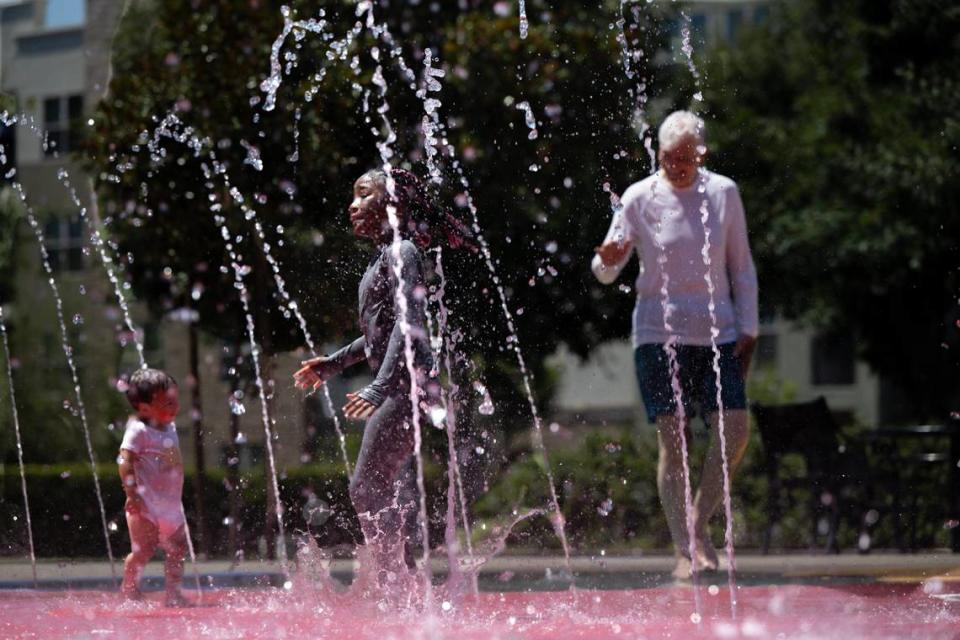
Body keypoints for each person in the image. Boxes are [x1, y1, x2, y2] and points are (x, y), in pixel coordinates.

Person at [592, 111, 758, 579]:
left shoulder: (723, 193)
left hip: (718, 332)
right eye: (669, 158)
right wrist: (605, 262)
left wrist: (749, 328)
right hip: (656, 333)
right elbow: (606, 270)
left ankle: (696, 523)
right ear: (659, 154)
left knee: (736, 429)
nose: (678, 166)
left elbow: (741, 266)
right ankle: (687, 548)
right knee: (674, 440)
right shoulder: (638, 197)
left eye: (687, 158)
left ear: (701, 154)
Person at [293, 167, 470, 588]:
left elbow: (408, 322)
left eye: (363, 195)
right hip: (401, 385)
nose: (352, 205)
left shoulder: (403, 252)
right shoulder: (384, 258)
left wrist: (379, 386)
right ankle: (403, 578)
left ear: (392, 204)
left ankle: (397, 582)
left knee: (366, 487)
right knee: (379, 486)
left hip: (407, 387)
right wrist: (334, 363)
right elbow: (378, 330)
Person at [118, 367, 189, 606]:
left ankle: (174, 593)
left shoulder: (169, 425)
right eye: (167, 403)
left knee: (178, 549)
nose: (175, 407)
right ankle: (129, 589)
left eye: (175, 401)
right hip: (145, 504)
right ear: (144, 407)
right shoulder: (138, 430)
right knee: (143, 551)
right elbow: (124, 460)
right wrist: (131, 493)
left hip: (171, 504)